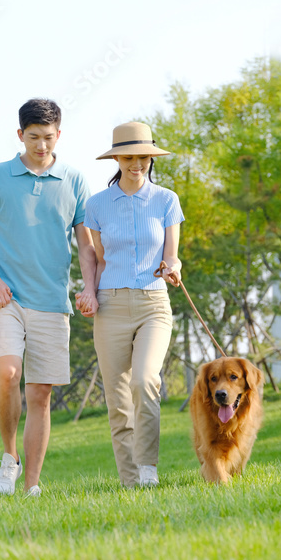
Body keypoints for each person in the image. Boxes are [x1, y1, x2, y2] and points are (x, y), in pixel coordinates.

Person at [0, 98, 96, 497]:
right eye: (33, 138)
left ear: (59, 135)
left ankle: (31, 485)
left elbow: (86, 244)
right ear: (20, 135)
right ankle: (9, 459)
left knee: (40, 395)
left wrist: (89, 286)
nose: (41, 145)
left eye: (47, 138)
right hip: (5, 297)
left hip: (52, 299)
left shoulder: (75, 179)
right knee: (9, 374)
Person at [78, 121, 184, 488]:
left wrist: (172, 268)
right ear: (117, 158)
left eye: (142, 157)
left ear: (150, 158)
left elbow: (172, 254)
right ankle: (129, 481)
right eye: (128, 157)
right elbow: (95, 258)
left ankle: (148, 470)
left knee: (144, 380)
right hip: (110, 305)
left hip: (154, 302)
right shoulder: (96, 206)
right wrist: (88, 292)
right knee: (118, 399)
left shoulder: (166, 200)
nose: (136, 164)